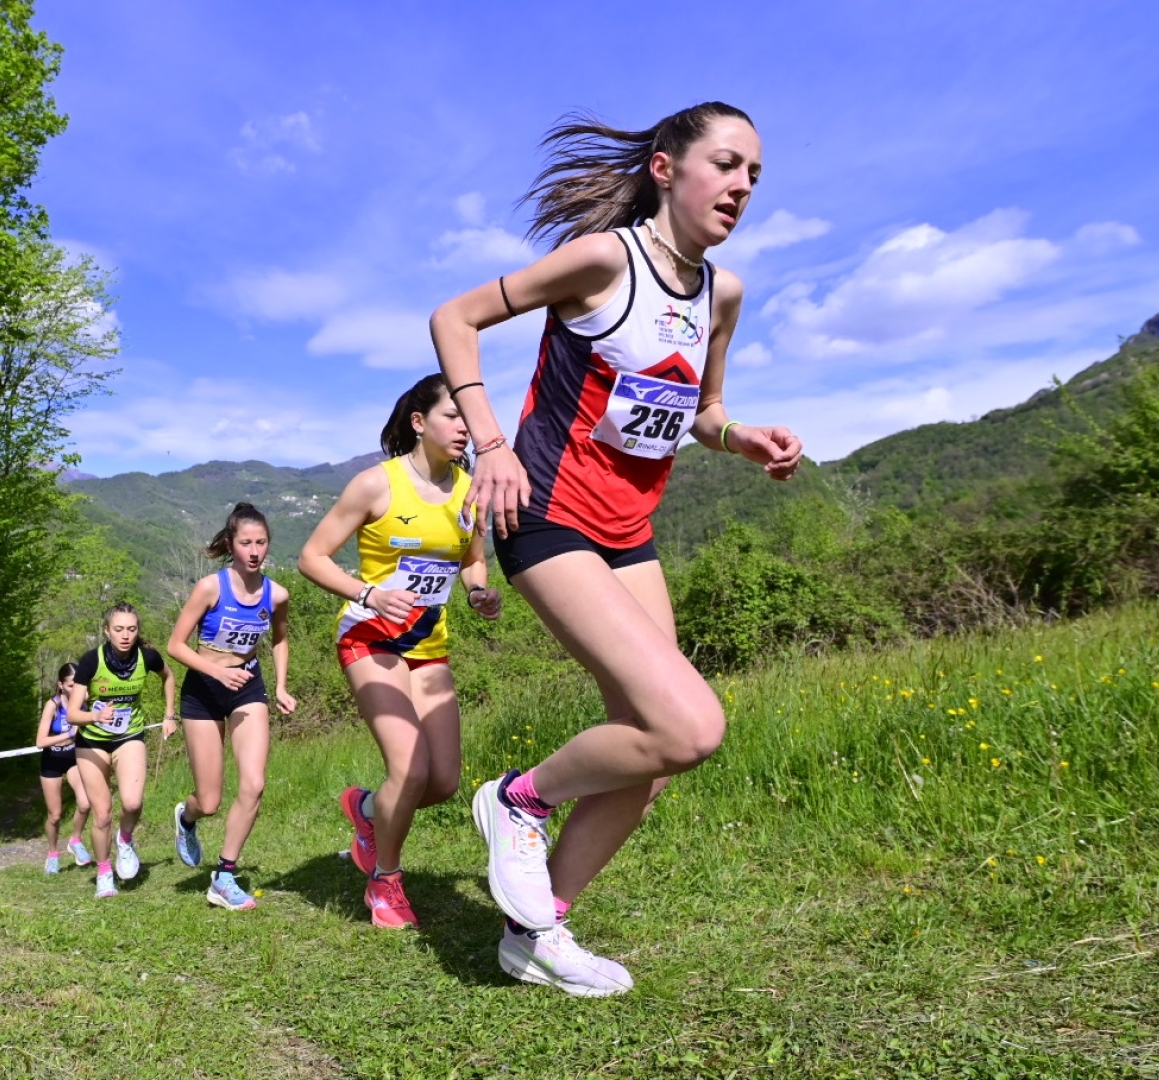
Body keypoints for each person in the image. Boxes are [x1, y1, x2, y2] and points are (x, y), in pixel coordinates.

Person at [428, 103, 801, 995]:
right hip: (547, 514)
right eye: (727, 164)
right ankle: (517, 799)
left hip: (630, 535)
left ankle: (536, 935)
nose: (744, 185)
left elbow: (699, 410)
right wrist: (489, 443)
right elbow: (455, 318)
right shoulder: (605, 260)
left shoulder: (724, 293)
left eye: (755, 172)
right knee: (690, 726)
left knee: (656, 752)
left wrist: (737, 436)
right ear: (669, 169)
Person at [297, 374, 501, 929]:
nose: (465, 428)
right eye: (452, 417)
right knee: (408, 767)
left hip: (428, 645)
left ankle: (366, 810)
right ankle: (385, 882)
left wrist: (479, 590)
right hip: (370, 635)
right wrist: (370, 592)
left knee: (442, 783)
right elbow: (312, 558)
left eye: (469, 419)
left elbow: (471, 559)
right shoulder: (376, 484)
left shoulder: (469, 489)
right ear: (420, 422)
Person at [165, 503, 297, 911]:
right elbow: (175, 646)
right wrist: (217, 673)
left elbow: (279, 639)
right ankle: (187, 818)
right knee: (209, 801)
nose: (255, 550)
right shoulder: (210, 588)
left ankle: (224, 875)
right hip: (203, 691)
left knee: (254, 783)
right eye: (246, 543)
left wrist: (280, 685)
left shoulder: (277, 594)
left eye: (261, 542)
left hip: (247, 688)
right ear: (230, 544)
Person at [66, 603, 177, 899]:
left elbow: (169, 677)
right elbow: (73, 714)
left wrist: (169, 715)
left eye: (131, 629)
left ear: (137, 631)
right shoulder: (91, 661)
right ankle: (104, 872)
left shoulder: (147, 657)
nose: (125, 635)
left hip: (129, 735)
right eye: (118, 629)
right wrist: (95, 716)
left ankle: (125, 839)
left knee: (131, 802)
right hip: (92, 742)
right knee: (101, 814)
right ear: (107, 631)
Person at [35, 664, 96, 875]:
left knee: (86, 802)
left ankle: (75, 840)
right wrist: (69, 734)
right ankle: (52, 854)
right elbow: (40, 741)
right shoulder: (53, 705)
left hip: (73, 758)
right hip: (52, 759)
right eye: (71, 685)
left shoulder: (84, 702)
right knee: (55, 815)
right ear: (61, 685)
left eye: (79, 683)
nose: (76, 688)